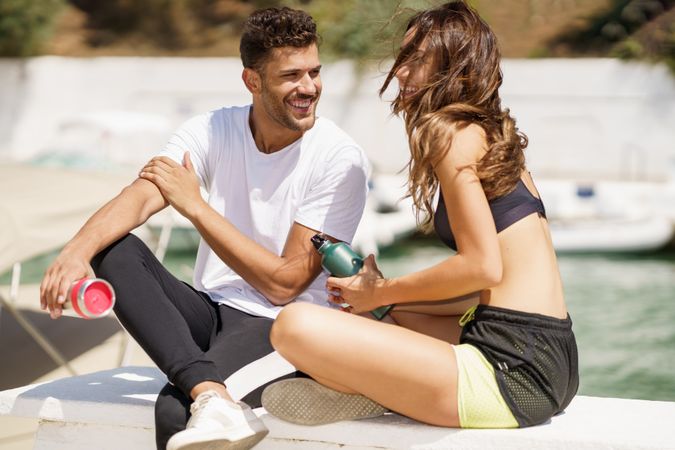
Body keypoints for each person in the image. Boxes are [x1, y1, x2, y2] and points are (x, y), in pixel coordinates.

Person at [39, 6, 369, 450]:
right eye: (291, 76)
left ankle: (205, 393)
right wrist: (76, 250)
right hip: (214, 309)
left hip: (287, 327)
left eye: (314, 72)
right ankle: (210, 392)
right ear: (252, 80)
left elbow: (284, 284)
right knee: (112, 248)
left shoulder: (337, 158)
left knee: (175, 409)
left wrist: (196, 207)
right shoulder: (214, 129)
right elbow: (142, 195)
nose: (309, 88)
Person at [261, 0, 579, 431]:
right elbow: (493, 283)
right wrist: (383, 298)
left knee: (293, 326)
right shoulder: (492, 137)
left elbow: (482, 267)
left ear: (457, 68)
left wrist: (384, 288)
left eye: (420, 60)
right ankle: (384, 386)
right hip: (551, 356)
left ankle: (375, 391)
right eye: (404, 58)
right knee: (374, 315)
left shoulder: (450, 137)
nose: (403, 73)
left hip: (510, 374)